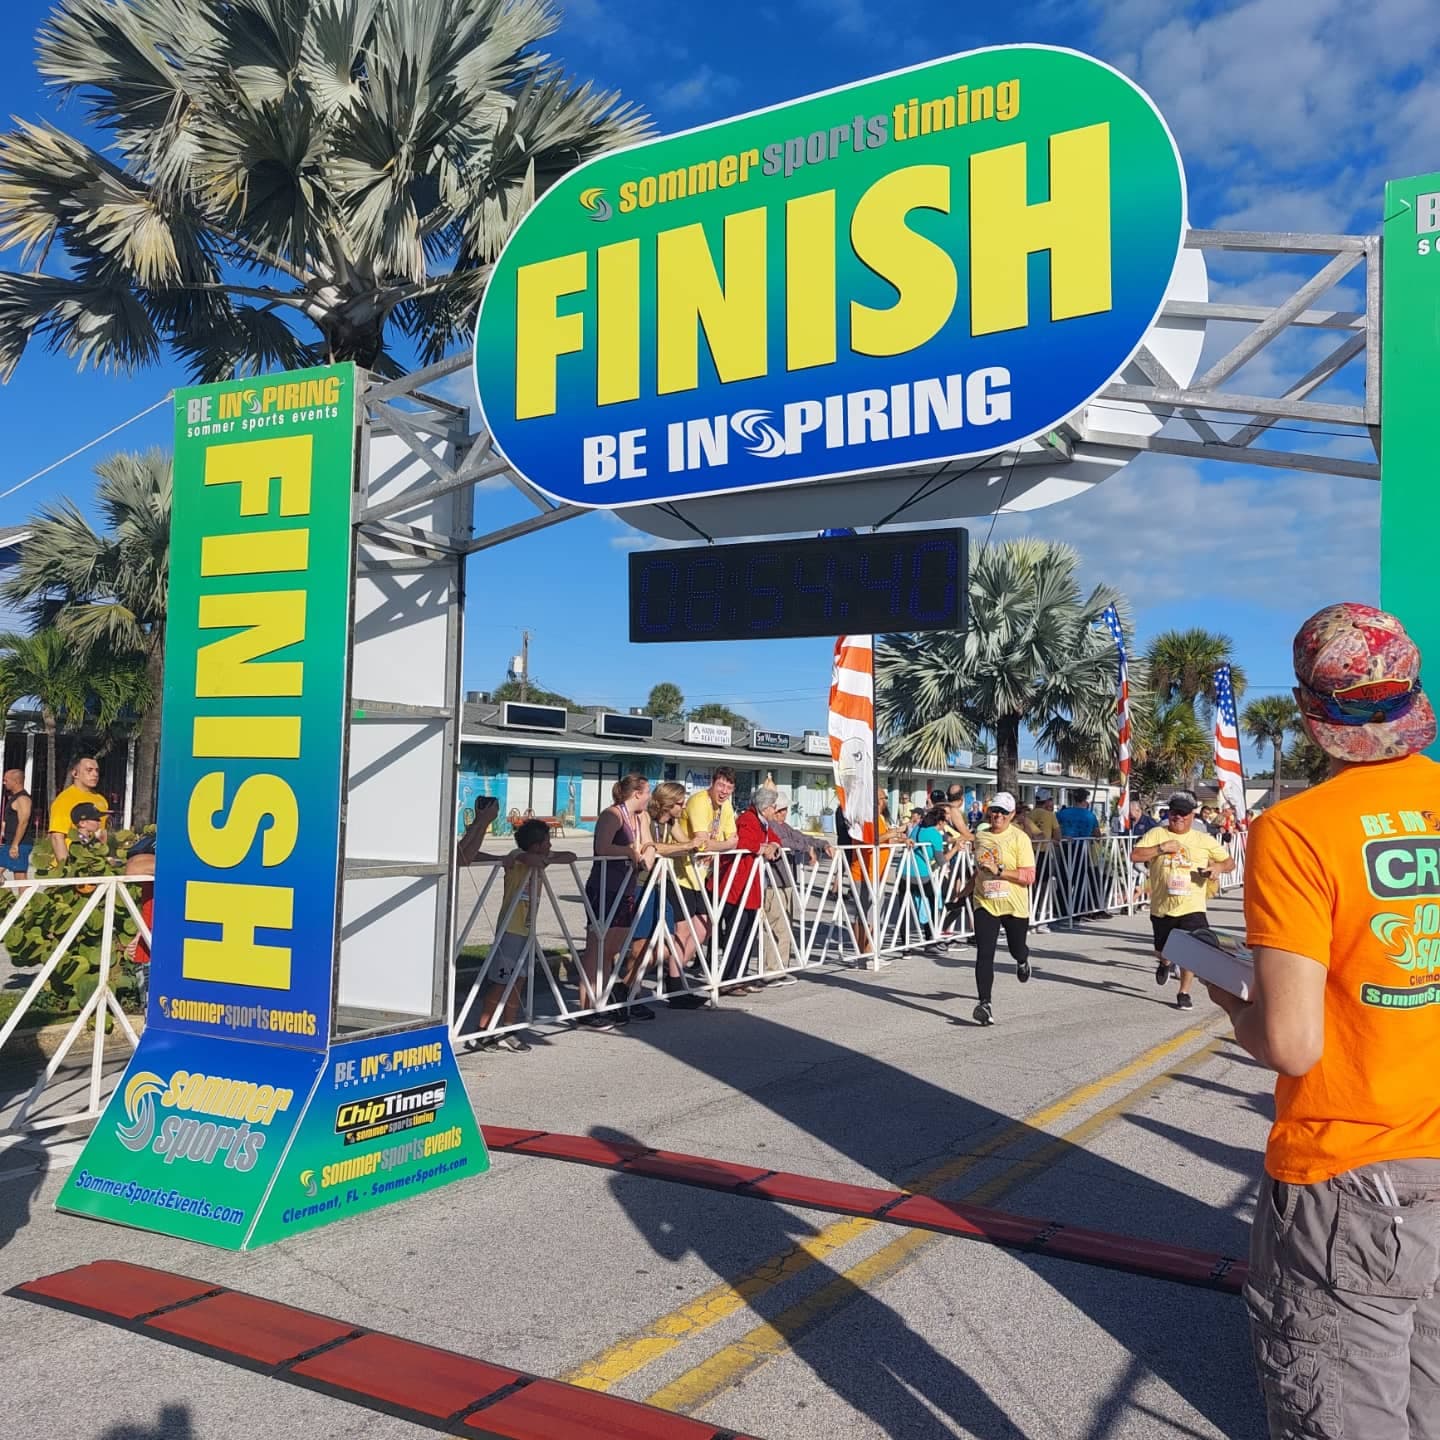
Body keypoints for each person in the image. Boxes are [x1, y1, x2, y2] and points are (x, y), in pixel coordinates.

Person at [1205, 603, 1440, 1440]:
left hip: (1355, 1174)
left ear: (1311, 708)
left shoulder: (1299, 830)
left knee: (1345, 1416)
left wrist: (1239, 1007)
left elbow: (1294, 1042)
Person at [470, 818, 576, 1053]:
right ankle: (483, 1030)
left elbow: (570, 855)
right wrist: (538, 858)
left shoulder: (540, 859)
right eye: (547, 842)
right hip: (510, 929)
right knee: (501, 982)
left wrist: (549, 858)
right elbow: (527, 858)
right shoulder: (518, 856)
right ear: (536, 845)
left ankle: (508, 1027)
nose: (550, 845)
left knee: (519, 980)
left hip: (527, 931)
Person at [1131, 790, 1235, 1009]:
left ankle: (1184, 992)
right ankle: (1165, 962)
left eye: (1183, 813)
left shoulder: (1202, 839)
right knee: (1162, 949)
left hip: (1192, 905)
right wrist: (1161, 849)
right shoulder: (1157, 833)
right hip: (1162, 905)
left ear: (1192, 816)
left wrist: (1217, 867)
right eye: (1174, 813)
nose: (1178, 817)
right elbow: (1135, 855)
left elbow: (1229, 863)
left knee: (1192, 950)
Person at [579, 774, 651, 1029]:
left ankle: (605, 998)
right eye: (647, 791)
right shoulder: (612, 815)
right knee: (597, 947)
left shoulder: (640, 817)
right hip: (605, 887)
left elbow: (648, 842)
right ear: (636, 794)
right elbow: (602, 847)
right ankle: (587, 1006)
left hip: (626, 887)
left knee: (613, 948)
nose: (650, 796)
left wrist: (646, 852)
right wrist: (630, 851)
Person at [633, 781, 707, 1010]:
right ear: (666, 803)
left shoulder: (671, 821)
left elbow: (685, 842)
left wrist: (698, 847)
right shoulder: (647, 818)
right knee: (641, 941)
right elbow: (653, 847)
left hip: (664, 882)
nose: (683, 808)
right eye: (679, 803)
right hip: (642, 884)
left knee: (682, 930)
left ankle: (675, 984)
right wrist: (685, 847)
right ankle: (628, 989)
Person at [966, 793, 1035, 1025]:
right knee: (984, 953)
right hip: (985, 902)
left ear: (1012, 815)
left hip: (1013, 906)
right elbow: (978, 870)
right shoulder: (981, 836)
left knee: (1017, 948)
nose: (998, 815)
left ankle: (1023, 960)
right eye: (995, 810)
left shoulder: (1020, 838)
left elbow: (1028, 876)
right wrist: (961, 894)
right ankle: (984, 1004)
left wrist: (1000, 871)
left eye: (1004, 812)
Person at [754, 788, 831, 985]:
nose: (783, 814)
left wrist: (821, 843)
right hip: (772, 884)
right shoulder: (769, 826)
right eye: (779, 810)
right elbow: (784, 841)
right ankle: (771, 970)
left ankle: (781, 967)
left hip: (786, 881)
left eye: (785, 810)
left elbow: (800, 837)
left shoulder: (784, 825)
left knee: (785, 927)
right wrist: (807, 848)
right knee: (774, 927)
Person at [717, 785, 783, 993]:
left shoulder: (762, 822)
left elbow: (775, 839)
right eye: (773, 806)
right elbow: (744, 842)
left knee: (747, 932)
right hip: (739, 885)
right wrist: (763, 847)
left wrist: (773, 846)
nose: (775, 810)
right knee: (736, 932)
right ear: (765, 807)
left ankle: (739, 975)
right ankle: (728, 978)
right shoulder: (748, 819)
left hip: (751, 887)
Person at [673, 767, 739, 976]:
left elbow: (735, 840)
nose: (724, 791)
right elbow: (702, 843)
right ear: (712, 783)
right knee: (682, 931)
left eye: (729, 787)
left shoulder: (725, 806)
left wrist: (721, 844)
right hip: (681, 874)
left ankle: (674, 972)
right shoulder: (699, 801)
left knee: (705, 928)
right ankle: (670, 976)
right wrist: (723, 844)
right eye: (720, 785)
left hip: (702, 877)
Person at [1057, 787, 1110, 920]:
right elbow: (1097, 834)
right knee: (1080, 880)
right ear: (1085, 800)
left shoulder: (1062, 813)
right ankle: (1077, 909)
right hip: (1082, 849)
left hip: (1066, 848)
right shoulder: (1090, 815)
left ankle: (1062, 909)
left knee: (1064, 878)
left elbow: (1055, 827)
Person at [49, 756, 109, 865]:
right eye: (89, 770)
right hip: (73, 863)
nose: (95, 774)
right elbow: (57, 837)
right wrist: (67, 869)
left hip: (94, 864)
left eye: (97, 770)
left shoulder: (101, 800)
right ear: (75, 773)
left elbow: (102, 833)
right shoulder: (64, 800)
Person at [2, 769, 33, 878]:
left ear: (15, 781)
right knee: (20, 877)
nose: (4, 783)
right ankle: (19, 895)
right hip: (10, 843)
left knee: (20, 877)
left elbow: (23, 822)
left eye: (6, 780)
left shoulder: (23, 798)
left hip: (20, 844)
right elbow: (7, 822)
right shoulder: (13, 798)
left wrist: (15, 845)